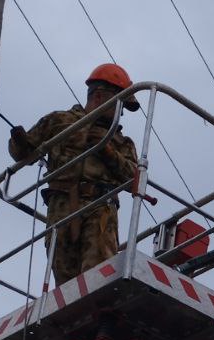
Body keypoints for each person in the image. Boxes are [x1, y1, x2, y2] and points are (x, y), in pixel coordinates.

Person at [8, 63, 140, 285]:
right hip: (60, 210)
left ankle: (99, 314)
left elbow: (133, 179)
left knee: (97, 278)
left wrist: (107, 151)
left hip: (100, 209)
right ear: (99, 97)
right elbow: (23, 153)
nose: (121, 113)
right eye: (119, 105)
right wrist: (18, 142)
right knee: (66, 284)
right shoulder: (59, 122)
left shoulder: (121, 141)